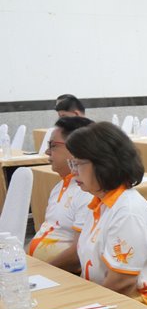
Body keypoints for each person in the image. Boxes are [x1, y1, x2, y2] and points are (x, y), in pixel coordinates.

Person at [65, 122, 147, 309]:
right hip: (112, 300)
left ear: (104, 163)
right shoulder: (101, 203)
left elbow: (122, 283)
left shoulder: (128, 212)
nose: (73, 172)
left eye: (78, 164)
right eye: (72, 163)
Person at [27, 116, 93, 271]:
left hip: (63, 274)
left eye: (53, 145)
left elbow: (79, 254)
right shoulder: (60, 186)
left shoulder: (87, 192)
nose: (47, 151)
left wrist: (40, 271)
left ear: (74, 147)